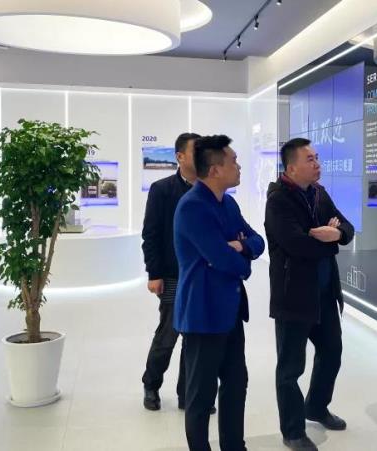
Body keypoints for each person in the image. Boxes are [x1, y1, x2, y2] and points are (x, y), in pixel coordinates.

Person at [174, 135, 264, 451]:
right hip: (202, 313)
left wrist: (241, 246)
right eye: (234, 161)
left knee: (236, 384)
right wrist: (242, 260)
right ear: (214, 170)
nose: (239, 166)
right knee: (201, 395)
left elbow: (257, 241)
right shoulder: (192, 207)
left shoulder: (228, 203)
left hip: (231, 311)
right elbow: (223, 259)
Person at [264, 138, 355, 451]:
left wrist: (336, 232)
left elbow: (347, 228)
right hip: (293, 297)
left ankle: (316, 406)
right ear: (291, 168)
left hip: (324, 294)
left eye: (317, 157)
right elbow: (297, 244)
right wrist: (330, 241)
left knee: (332, 352)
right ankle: (292, 431)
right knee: (290, 368)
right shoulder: (278, 200)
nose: (317, 164)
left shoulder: (319, 193)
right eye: (310, 159)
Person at [142, 132, 217, 413]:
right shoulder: (162, 190)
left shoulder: (211, 190)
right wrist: (154, 273)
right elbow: (151, 234)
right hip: (174, 275)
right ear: (179, 157)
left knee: (194, 338)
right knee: (168, 335)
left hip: (203, 276)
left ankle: (188, 393)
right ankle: (151, 384)